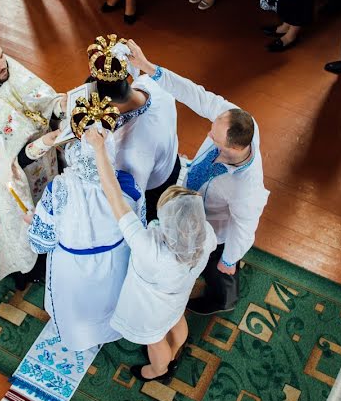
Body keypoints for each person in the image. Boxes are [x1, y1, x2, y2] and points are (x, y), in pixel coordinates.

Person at [127, 40, 269, 316]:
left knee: (219, 269)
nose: (207, 135)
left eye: (214, 138)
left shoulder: (245, 189)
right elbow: (195, 93)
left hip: (215, 227)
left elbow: (244, 228)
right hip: (192, 196)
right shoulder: (238, 119)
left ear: (235, 148)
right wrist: (149, 68)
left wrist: (229, 258)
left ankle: (223, 299)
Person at [88, 126, 216, 382]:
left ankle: (159, 370)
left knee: (155, 339)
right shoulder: (206, 234)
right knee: (176, 319)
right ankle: (176, 350)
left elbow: (114, 198)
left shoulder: (151, 249)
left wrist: (99, 149)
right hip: (178, 295)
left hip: (151, 307)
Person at [25, 107, 144, 351]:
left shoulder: (57, 190)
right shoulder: (128, 185)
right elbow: (138, 229)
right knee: (110, 301)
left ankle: (79, 340)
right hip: (115, 262)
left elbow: (40, 243)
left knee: (77, 309)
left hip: (73, 268)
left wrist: (33, 221)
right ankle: (111, 331)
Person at [0, 35, 66, 288]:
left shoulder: (9, 69)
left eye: (1, 55)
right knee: (26, 221)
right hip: (20, 179)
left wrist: (61, 105)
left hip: (47, 163)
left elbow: (43, 101)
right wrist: (45, 143)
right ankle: (34, 266)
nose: (3, 64)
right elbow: (5, 165)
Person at [88, 35, 180, 223]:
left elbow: (131, 202)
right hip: (170, 159)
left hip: (154, 187)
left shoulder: (131, 153)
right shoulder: (150, 82)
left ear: (108, 105)